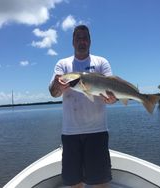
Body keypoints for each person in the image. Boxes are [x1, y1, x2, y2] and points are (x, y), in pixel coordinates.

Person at [49, 25, 116, 188]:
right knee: (74, 183)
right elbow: (53, 93)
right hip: (70, 132)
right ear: (72, 42)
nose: (82, 41)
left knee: (100, 182)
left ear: (90, 41)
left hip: (97, 131)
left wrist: (112, 99)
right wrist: (58, 85)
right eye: (78, 38)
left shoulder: (101, 62)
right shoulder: (62, 65)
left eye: (85, 38)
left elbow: (112, 92)